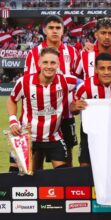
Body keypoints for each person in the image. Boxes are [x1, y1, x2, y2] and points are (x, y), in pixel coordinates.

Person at [7, 47, 81, 171]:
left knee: (63, 176)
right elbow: (12, 100)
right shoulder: (24, 82)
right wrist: (13, 120)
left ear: (58, 64)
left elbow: (84, 84)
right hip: (26, 135)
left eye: (53, 63)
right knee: (15, 175)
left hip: (53, 137)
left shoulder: (65, 81)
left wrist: (76, 101)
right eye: (45, 62)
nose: (49, 66)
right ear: (39, 63)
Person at [22, 15, 79, 170]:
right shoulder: (33, 54)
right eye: (51, 28)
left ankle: (65, 189)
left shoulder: (73, 52)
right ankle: (38, 190)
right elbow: (26, 84)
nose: (54, 31)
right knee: (37, 154)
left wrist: (76, 100)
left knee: (67, 153)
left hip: (65, 113)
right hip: (39, 115)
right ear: (44, 30)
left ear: (63, 30)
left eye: (58, 28)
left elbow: (79, 79)